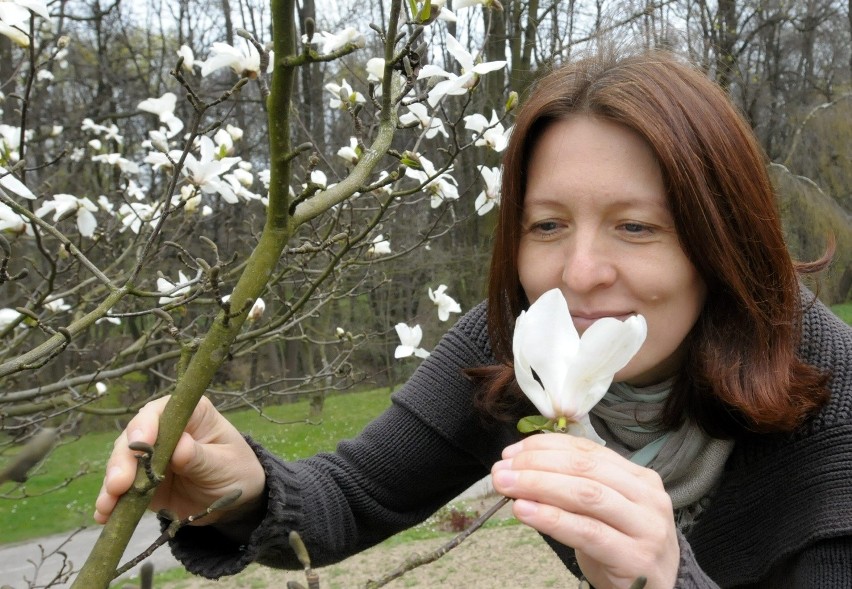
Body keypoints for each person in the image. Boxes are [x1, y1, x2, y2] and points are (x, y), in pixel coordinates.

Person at [94, 47, 852, 588]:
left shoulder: (833, 391)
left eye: (636, 226)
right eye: (547, 225)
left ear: (719, 241)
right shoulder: (519, 346)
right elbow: (356, 495)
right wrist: (240, 489)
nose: (579, 273)